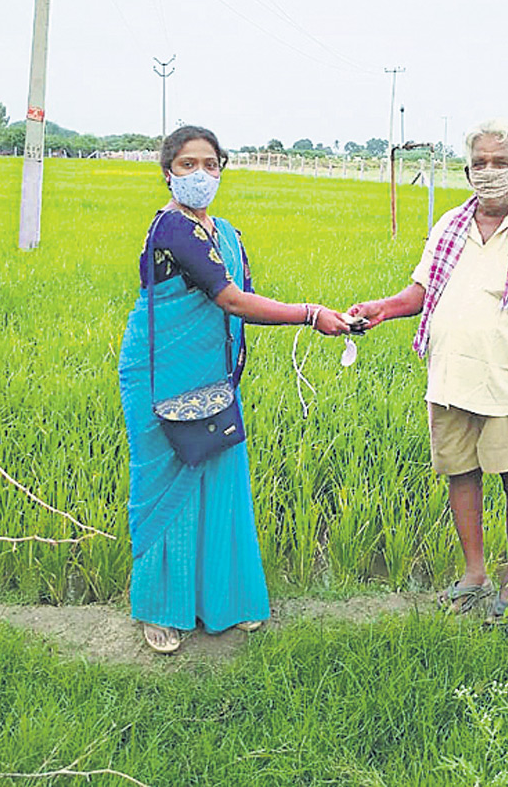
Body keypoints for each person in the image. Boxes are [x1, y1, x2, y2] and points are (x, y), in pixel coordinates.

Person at [119, 125, 350, 653]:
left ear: (222, 170)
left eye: (210, 164)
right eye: (187, 164)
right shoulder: (172, 230)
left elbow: (241, 296)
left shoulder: (227, 232)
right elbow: (231, 301)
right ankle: (161, 609)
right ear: (167, 171)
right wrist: (311, 314)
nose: (200, 174)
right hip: (160, 375)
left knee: (221, 480)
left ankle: (224, 603)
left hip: (214, 376)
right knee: (165, 490)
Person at [348, 119, 508, 623]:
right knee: (461, 476)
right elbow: (422, 292)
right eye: (480, 163)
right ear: (467, 170)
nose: (489, 172)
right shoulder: (451, 225)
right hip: (450, 379)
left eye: (500, 163)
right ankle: (474, 575)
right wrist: (383, 307)